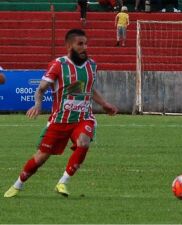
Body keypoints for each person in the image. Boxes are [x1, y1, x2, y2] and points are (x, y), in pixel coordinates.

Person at [3, 29, 118, 198]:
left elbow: (88, 89)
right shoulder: (58, 65)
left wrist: (104, 104)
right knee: (41, 157)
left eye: (86, 43)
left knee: (84, 142)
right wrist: (38, 104)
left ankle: (62, 182)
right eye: (80, 44)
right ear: (69, 46)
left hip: (83, 118)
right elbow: (41, 88)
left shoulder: (91, 65)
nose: (84, 47)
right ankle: (18, 184)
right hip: (60, 120)